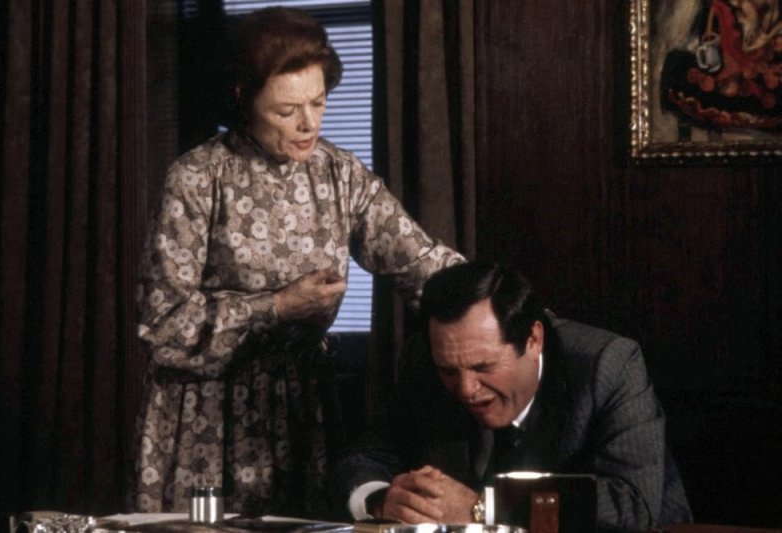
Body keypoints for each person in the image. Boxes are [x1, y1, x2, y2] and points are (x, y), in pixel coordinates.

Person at [128, 6, 463, 518]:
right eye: (286, 111)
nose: (309, 123)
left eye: (319, 102)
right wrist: (277, 306)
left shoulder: (340, 175)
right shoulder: (196, 179)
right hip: (206, 421)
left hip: (304, 415)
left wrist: (507, 310)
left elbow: (422, 263)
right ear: (243, 97)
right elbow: (163, 325)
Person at [328, 261, 692, 530]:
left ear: (533, 340)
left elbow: (633, 505)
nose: (466, 389)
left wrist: (483, 508)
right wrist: (380, 500)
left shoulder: (610, 365)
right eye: (449, 371)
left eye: (484, 366)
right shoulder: (424, 360)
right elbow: (363, 457)